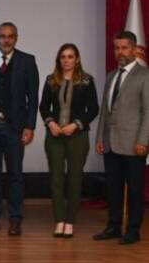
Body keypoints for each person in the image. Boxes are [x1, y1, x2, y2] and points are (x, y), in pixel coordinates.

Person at [0, 22, 39, 236]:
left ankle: (15, 219)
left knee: (15, 175)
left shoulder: (27, 61)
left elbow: (33, 98)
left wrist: (30, 126)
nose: (6, 40)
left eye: (10, 36)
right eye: (2, 36)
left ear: (16, 38)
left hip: (15, 129)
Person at [94, 31, 149, 245]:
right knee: (113, 189)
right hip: (110, 143)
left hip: (133, 143)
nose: (120, 52)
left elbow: (147, 112)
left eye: (125, 47)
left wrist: (143, 141)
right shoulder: (111, 75)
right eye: (117, 48)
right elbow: (105, 112)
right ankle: (114, 227)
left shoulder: (144, 75)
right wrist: (100, 137)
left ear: (135, 49)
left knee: (135, 190)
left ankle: (133, 230)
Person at [39, 44, 98, 238]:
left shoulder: (87, 81)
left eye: (70, 56)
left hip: (77, 137)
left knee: (75, 179)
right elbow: (43, 107)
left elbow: (94, 109)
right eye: (63, 57)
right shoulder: (51, 81)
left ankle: (70, 221)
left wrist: (76, 124)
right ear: (59, 59)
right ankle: (59, 220)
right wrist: (50, 123)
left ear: (77, 59)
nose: (66, 60)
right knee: (55, 179)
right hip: (55, 136)